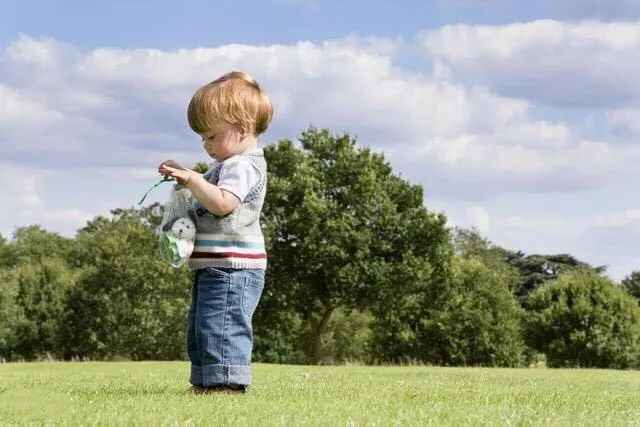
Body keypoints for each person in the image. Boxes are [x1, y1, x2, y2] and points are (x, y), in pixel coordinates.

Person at [158, 71, 273, 394]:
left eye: (211, 136)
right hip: (216, 265)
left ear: (242, 129)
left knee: (222, 326)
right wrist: (185, 176)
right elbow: (208, 190)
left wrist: (193, 180)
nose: (205, 145)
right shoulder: (227, 164)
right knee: (202, 326)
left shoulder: (242, 166)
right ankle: (206, 382)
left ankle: (227, 385)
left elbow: (223, 203)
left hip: (233, 267)